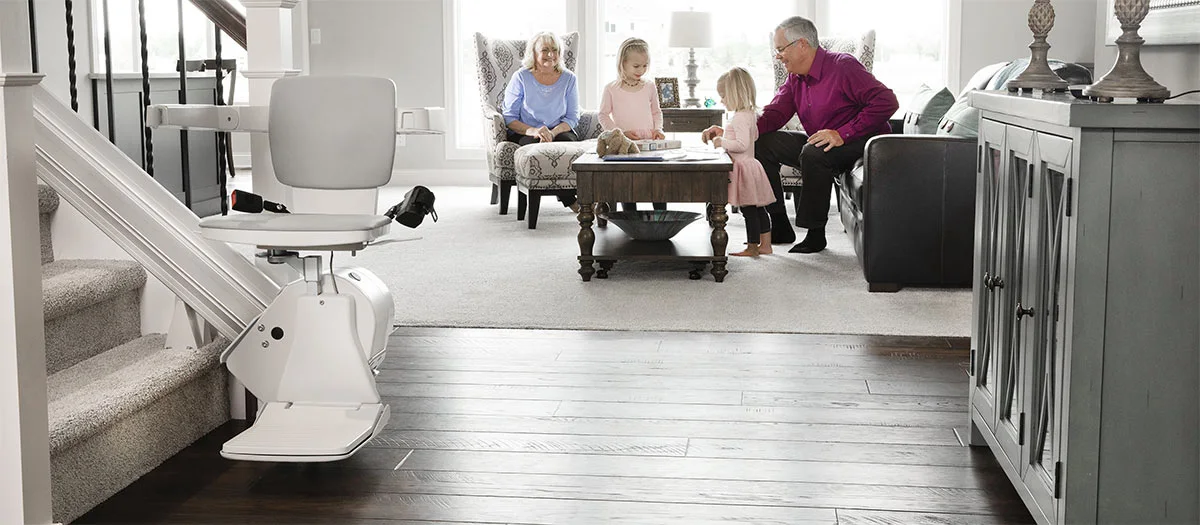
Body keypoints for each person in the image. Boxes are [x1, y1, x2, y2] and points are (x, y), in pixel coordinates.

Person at [702, 16, 898, 253]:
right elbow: (773, 115)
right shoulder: (796, 79)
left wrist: (842, 133)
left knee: (814, 151)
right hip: (822, 143)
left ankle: (816, 234)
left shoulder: (843, 66)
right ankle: (780, 224)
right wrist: (733, 130)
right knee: (763, 142)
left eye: (781, 49)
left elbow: (887, 101)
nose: (778, 56)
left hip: (859, 142)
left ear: (802, 45)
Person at [502, 31, 582, 209]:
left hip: (560, 131)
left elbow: (572, 117)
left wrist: (552, 133)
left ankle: (580, 197)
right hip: (527, 132)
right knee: (539, 147)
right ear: (534, 53)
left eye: (555, 50)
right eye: (545, 50)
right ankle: (572, 201)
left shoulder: (569, 79)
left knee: (566, 147)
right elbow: (509, 117)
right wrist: (534, 131)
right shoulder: (521, 77)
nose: (551, 55)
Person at [712, 67, 776, 257]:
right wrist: (726, 134)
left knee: (748, 210)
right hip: (752, 165)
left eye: (724, 96)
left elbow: (741, 144)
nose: (721, 100)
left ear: (735, 94)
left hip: (743, 168)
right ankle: (766, 244)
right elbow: (752, 137)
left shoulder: (739, 118)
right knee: (759, 208)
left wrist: (721, 142)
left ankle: (752, 247)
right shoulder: (749, 115)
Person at [598, 37, 666, 212]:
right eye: (637, 66)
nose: (641, 70)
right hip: (625, 145)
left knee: (655, 181)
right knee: (627, 182)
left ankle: (661, 216)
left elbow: (656, 112)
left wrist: (658, 129)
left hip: (649, 142)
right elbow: (603, 115)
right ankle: (630, 218)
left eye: (645, 65)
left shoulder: (649, 86)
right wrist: (619, 134)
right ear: (623, 63)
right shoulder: (611, 88)